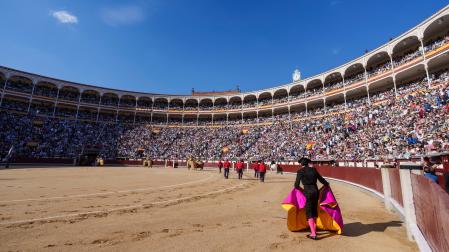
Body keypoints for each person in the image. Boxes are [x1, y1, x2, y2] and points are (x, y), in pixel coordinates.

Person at [294, 157, 329, 240]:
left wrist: (301, 189)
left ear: (301, 164)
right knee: (314, 210)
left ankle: (313, 233)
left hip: (308, 192)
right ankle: (314, 230)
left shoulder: (300, 171)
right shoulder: (313, 170)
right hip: (315, 191)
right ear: (307, 163)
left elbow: (296, 185)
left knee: (309, 212)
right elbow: (321, 180)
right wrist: (327, 184)